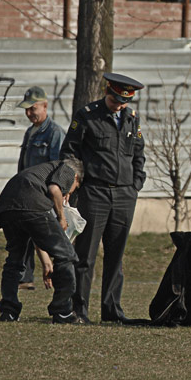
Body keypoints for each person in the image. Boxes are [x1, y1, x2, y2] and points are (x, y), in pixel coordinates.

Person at [62, 72, 146, 324]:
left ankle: (112, 311)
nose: (119, 105)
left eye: (124, 101)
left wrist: (136, 184)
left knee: (115, 256)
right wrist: (76, 184)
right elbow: (69, 151)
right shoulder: (87, 115)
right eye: (115, 100)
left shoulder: (131, 119)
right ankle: (79, 310)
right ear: (107, 91)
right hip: (95, 192)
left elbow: (139, 153)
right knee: (86, 255)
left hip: (124, 195)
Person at [0, 157, 86, 323]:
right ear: (76, 178)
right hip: (31, 205)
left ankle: (9, 311)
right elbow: (55, 189)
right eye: (72, 191)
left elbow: (35, 229)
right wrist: (61, 217)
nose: (68, 196)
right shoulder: (68, 169)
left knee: (15, 259)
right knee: (68, 255)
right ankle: (62, 310)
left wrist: (46, 262)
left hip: (7, 208)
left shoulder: (39, 171)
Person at [15, 86, 66, 289]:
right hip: (25, 191)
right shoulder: (31, 132)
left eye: (33, 108)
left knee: (47, 236)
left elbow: (55, 167)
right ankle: (26, 278)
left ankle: (57, 274)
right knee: (25, 234)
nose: (29, 113)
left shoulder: (55, 133)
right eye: (26, 109)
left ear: (45, 106)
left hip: (43, 193)